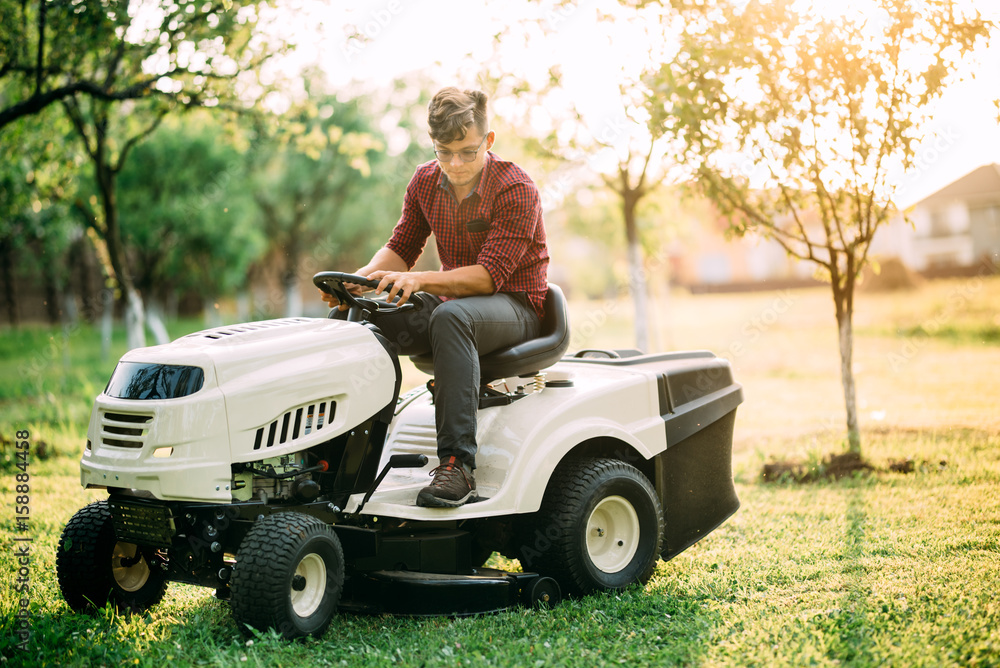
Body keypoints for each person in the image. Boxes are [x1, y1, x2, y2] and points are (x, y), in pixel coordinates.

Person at [319, 87, 549, 508]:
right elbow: (401, 247)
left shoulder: (516, 188)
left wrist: (421, 280)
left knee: (451, 317)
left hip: (515, 307)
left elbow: (488, 278)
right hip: (453, 305)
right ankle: (333, 455)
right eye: (445, 152)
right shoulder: (425, 181)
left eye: (467, 152)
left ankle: (458, 466)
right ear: (433, 144)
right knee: (356, 320)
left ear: (488, 140)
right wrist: (360, 281)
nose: (455, 164)